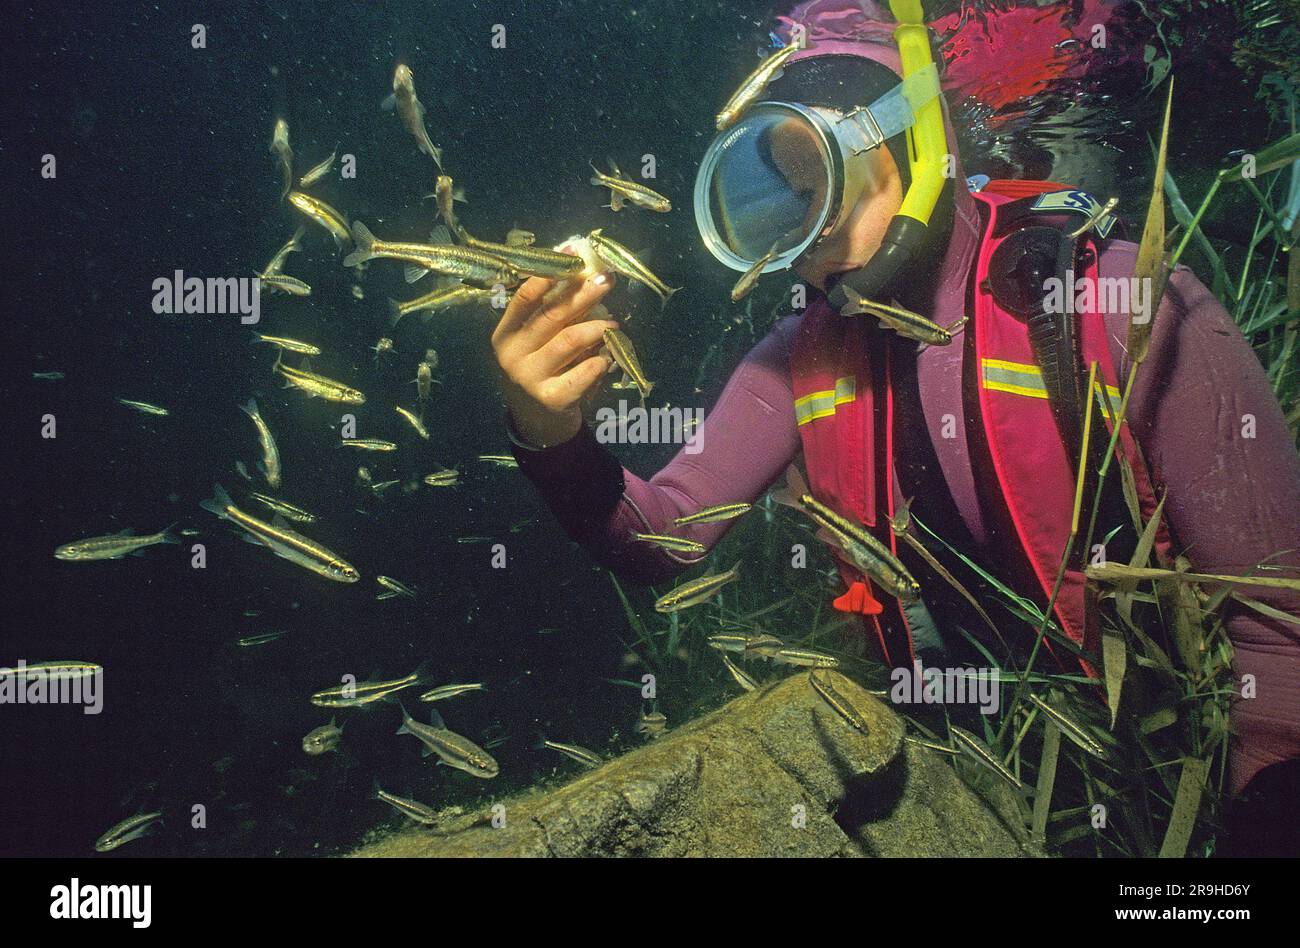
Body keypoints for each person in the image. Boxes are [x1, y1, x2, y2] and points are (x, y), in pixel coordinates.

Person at [490, 0, 1300, 843]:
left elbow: (1281, 645)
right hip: (969, 790)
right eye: (775, 201)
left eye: (822, 182)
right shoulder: (797, 359)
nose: (801, 237)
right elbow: (660, 537)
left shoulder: (1118, 306)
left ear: (917, 145)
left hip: (1169, 784)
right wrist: (546, 428)